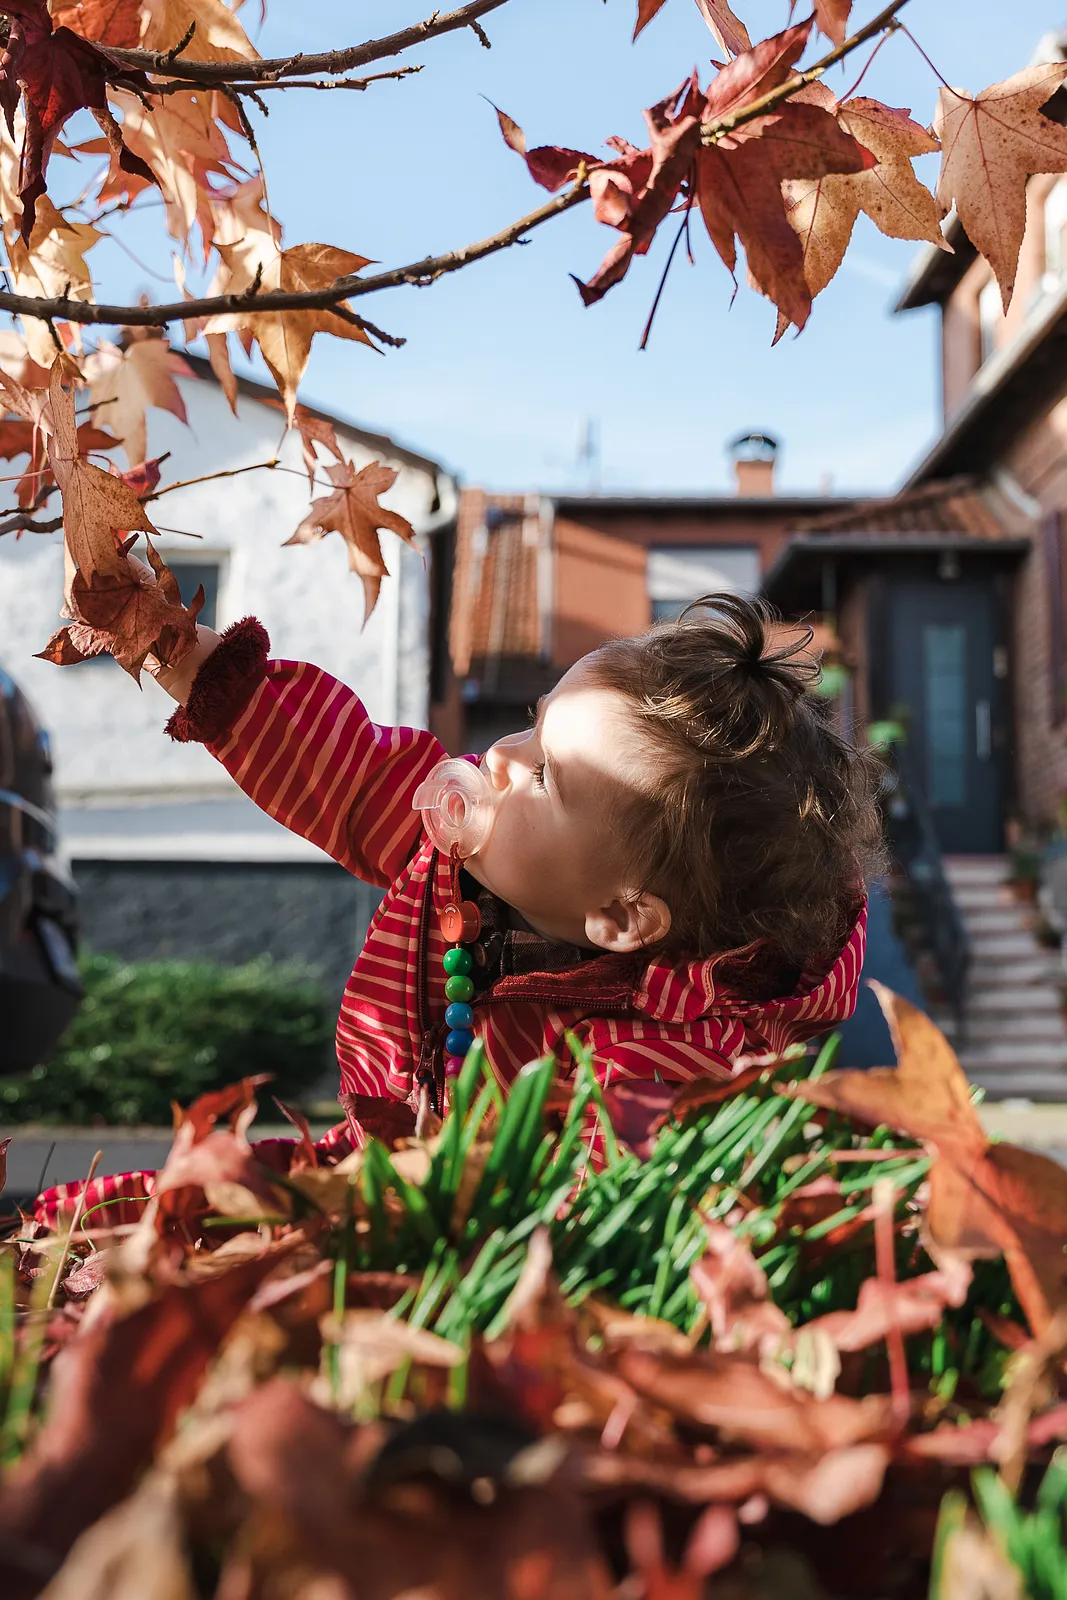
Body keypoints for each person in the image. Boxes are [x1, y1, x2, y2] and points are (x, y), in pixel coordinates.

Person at [34, 592, 882, 1224]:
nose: (499, 760)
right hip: (374, 1164)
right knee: (132, 1211)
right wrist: (173, 644)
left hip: (444, 1216)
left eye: (545, 773)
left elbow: (604, 1206)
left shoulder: (658, 1060)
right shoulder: (464, 857)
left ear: (623, 919)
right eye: (530, 724)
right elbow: (344, 770)